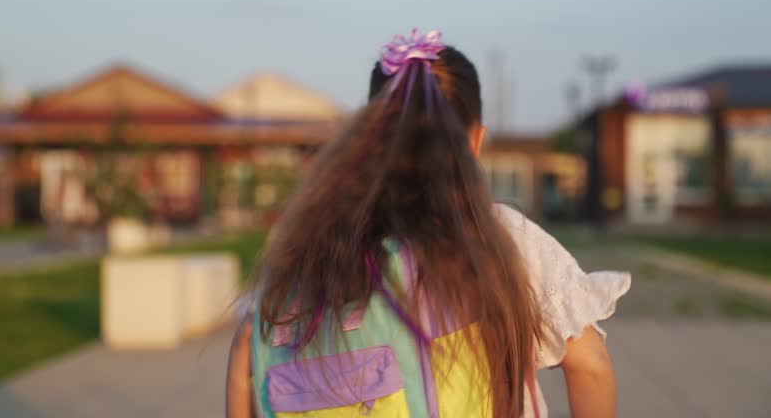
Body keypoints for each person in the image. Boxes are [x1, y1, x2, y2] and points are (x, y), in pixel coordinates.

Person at [226, 29, 630, 417]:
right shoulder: (495, 235)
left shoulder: (316, 242)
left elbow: (248, 346)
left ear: (370, 138)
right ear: (475, 141)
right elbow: (590, 366)